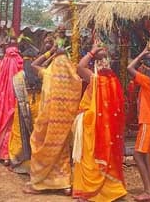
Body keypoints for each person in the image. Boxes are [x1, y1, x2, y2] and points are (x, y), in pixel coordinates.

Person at [71, 42, 127, 202]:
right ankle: (112, 190)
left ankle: (89, 191)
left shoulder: (95, 78)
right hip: (108, 127)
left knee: (89, 157)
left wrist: (91, 51)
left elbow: (80, 67)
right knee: (107, 156)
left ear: (95, 63)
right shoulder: (114, 81)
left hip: (92, 125)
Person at [24, 49, 82, 195]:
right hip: (65, 122)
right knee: (62, 151)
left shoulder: (49, 73)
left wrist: (50, 53)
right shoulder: (73, 77)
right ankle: (64, 184)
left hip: (47, 121)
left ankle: (40, 183)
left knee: (40, 145)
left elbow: (34, 64)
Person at [8, 37, 53, 173]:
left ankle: (19, 161)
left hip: (23, 107)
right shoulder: (41, 74)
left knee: (20, 133)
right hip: (39, 106)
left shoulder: (18, 76)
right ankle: (37, 163)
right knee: (37, 134)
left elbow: (14, 94)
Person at [127, 43, 150, 201]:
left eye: (142, 66)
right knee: (146, 155)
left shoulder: (146, 80)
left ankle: (148, 191)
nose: (140, 68)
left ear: (146, 67)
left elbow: (129, 68)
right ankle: (149, 189)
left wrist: (141, 53)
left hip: (148, 122)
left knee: (137, 155)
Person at [0, 35, 24, 164]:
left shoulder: (0, 64)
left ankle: (3, 153)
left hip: (0, 101)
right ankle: (9, 154)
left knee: (1, 124)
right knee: (12, 126)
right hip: (16, 100)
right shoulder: (21, 63)